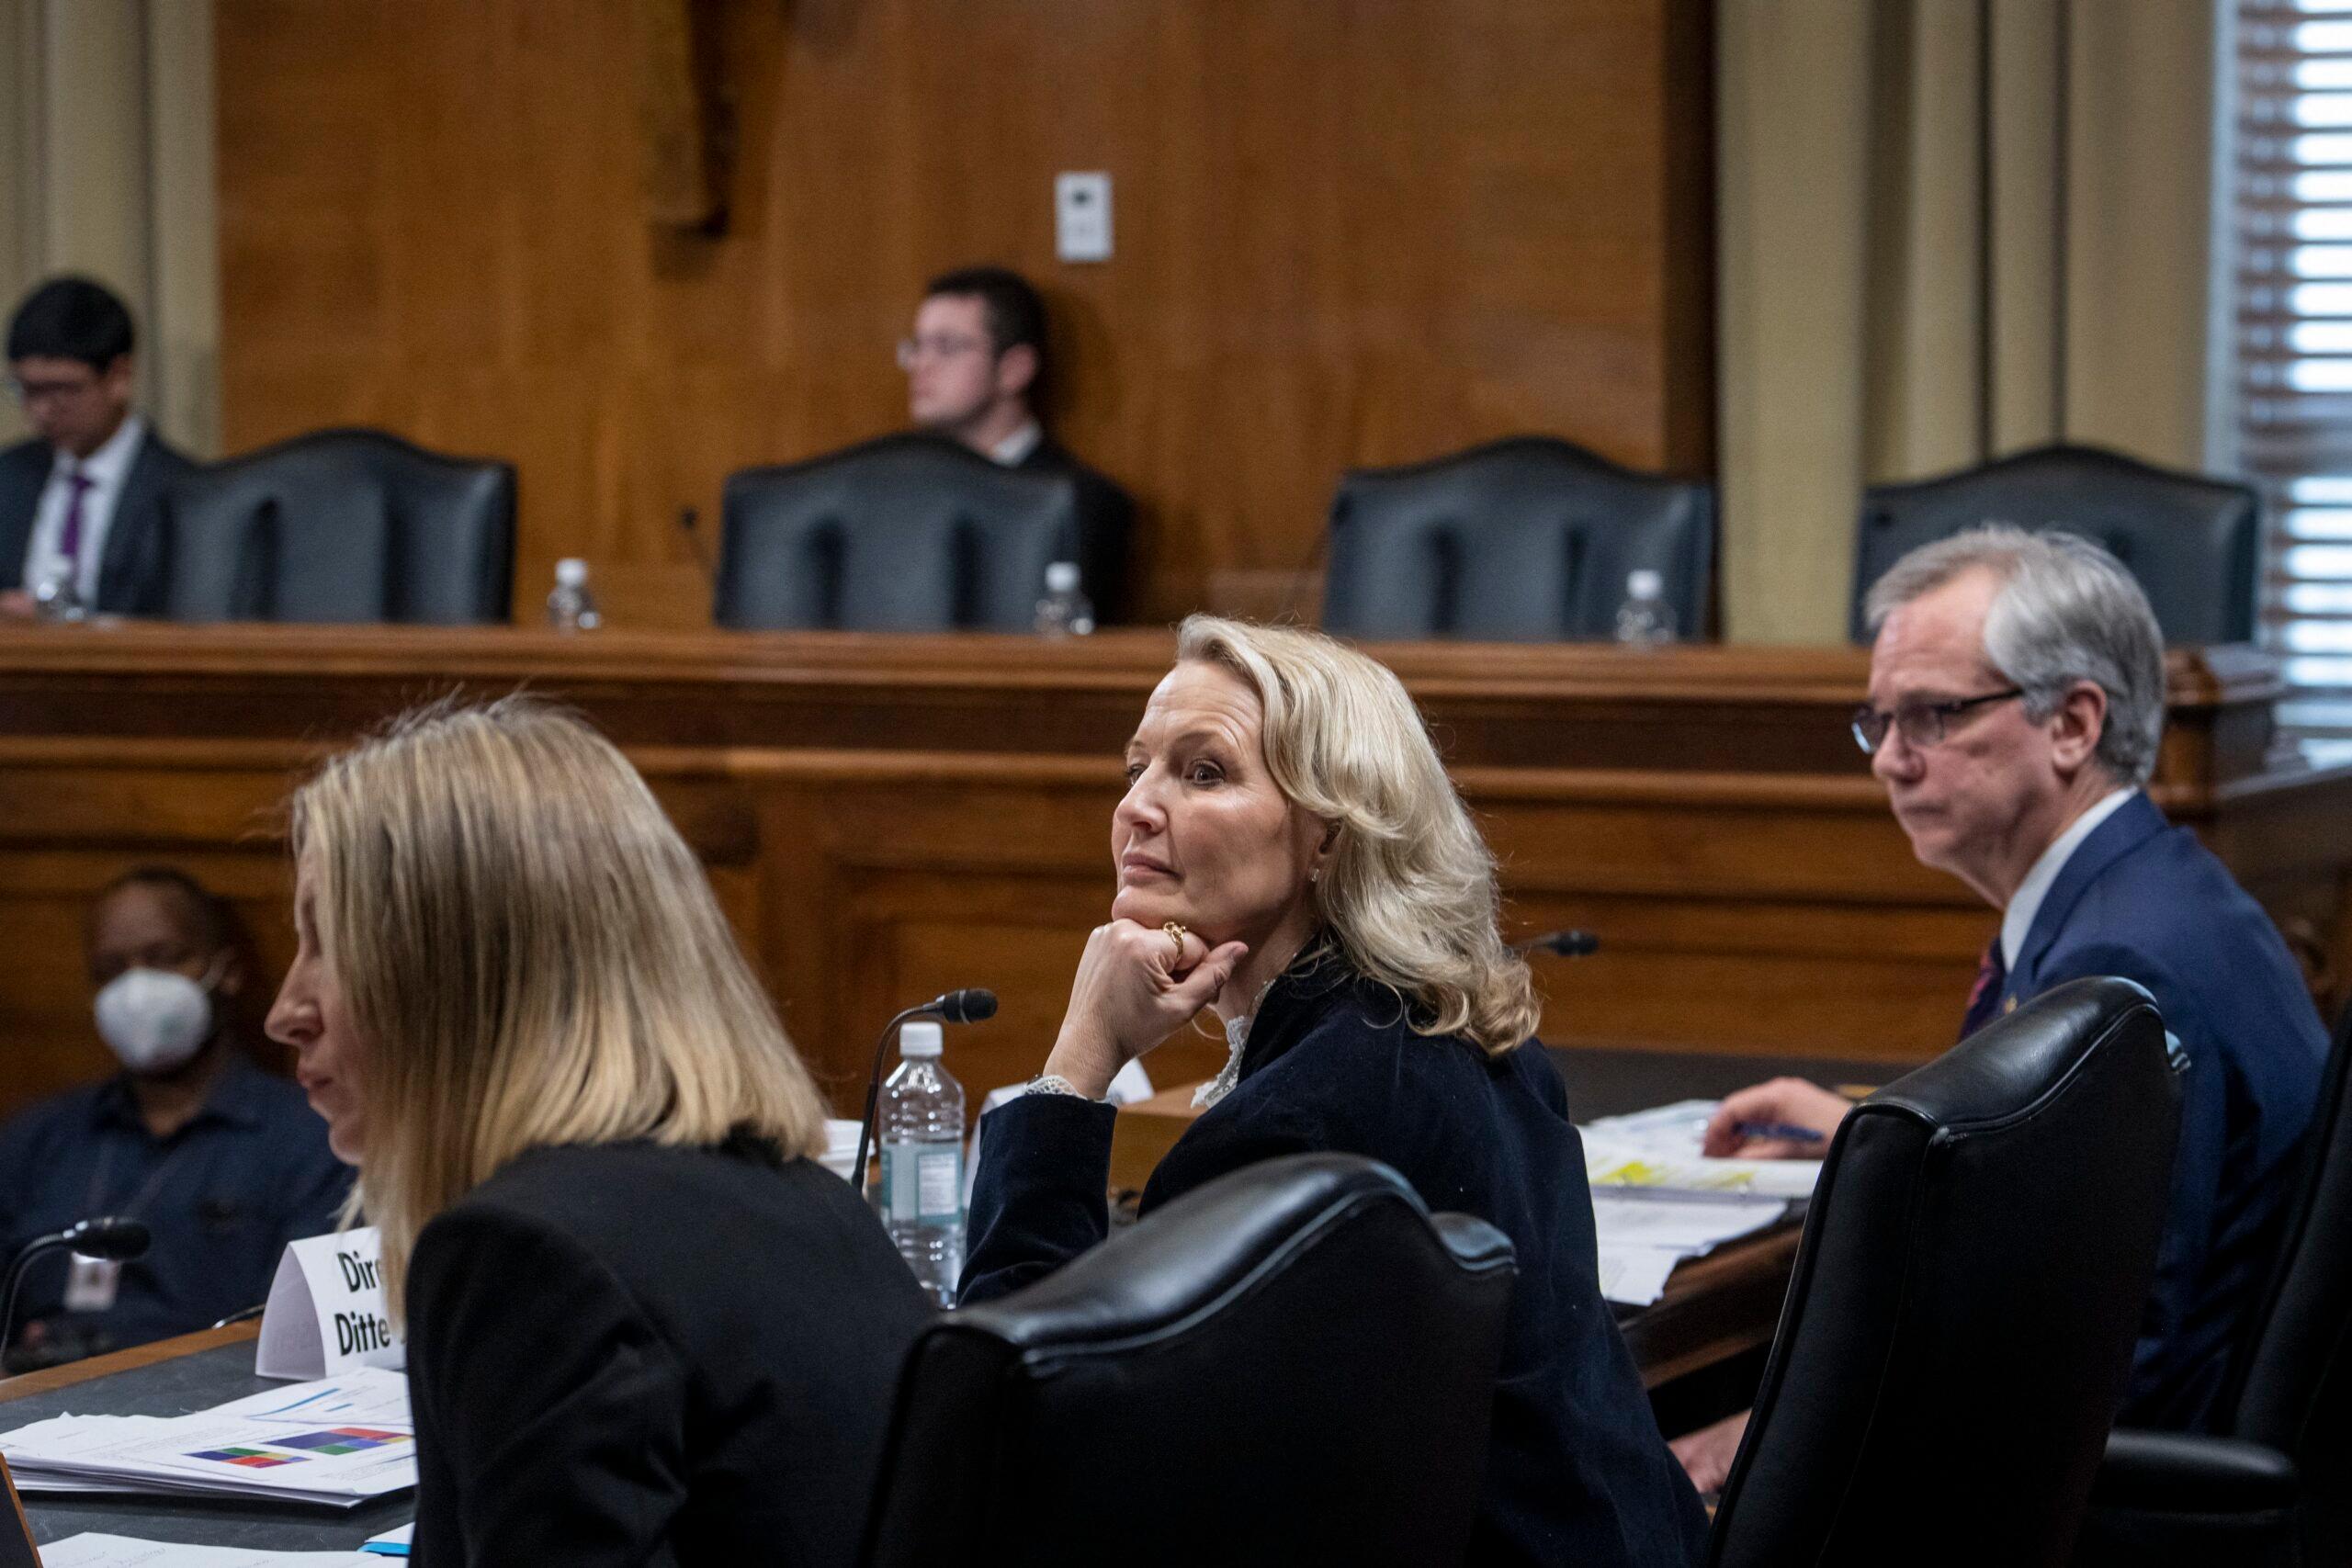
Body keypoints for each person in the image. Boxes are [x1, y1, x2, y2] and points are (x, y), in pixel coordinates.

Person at [960, 616, 1708, 1567]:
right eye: (1136, 767)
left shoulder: (1296, 1129)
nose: (1137, 808)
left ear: (1327, 838)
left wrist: (1078, 1062)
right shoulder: (1460, 1041)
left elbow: (1026, 1443)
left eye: (1203, 773)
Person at [1670, 526, 2326, 1492]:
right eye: (1880, 721)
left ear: (2073, 723)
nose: (1890, 760)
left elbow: (2102, 1351)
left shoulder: (2119, 967)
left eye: (1934, 716)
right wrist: (1876, 1142)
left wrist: (1784, 1439)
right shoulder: (2145, 893)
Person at [264, 698, 933, 1567]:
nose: (284, 1011)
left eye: (325, 943)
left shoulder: (525, 1252)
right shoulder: (807, 1200)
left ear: (456, 972)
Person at [0, 868, 346, 1372]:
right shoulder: (36, 1140)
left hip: (206, 1414)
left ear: (224, 970)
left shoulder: (312, 1140)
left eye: (163, 959)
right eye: (110, 969)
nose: (136, 987)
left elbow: (298, 1336)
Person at [900, 265, 1134, 619]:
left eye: (946, 347)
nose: (920, 365)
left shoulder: (1080, 503)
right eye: (917, 346)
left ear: (1015, 369)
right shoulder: (900, 490)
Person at [1, 276, 195, 618]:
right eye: (28, 390)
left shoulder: (185, 492)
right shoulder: (8, 477)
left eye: (62, 390)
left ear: (119, 377)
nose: (41, 411)